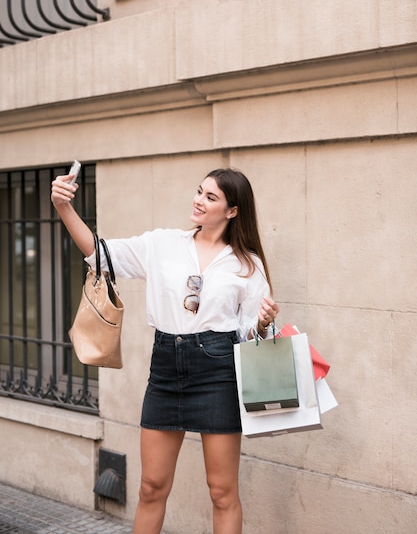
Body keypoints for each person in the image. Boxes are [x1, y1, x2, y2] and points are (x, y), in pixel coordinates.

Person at [51, 166, 279, 534]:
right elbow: (100, 254)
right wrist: (64, 208)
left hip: (218, 372)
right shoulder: (163, 243)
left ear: (233, 210)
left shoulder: (247, 267)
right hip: (166, 368)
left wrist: (263, 323)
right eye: (198, 191)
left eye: (211, 197)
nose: (198, 200)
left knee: (222, 492)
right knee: (151, 487)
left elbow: (248, 335)